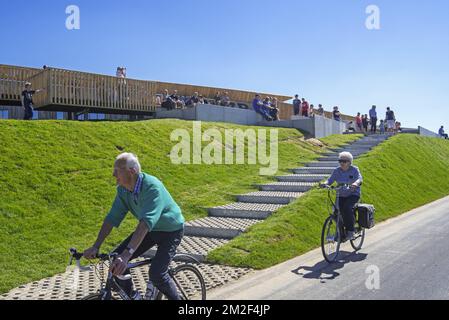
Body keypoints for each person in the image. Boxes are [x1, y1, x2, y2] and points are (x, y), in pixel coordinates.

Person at [83, 153, 185, 300]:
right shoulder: (123, 190)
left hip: (171, 231)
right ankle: (133, 296)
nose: (113, 174)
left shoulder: (152, 187)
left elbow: (145, 223)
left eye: (117, 170)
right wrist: (96, 246)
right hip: (152, 231)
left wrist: (126, 255)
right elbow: (112, 218)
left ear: (132, 171)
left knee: (157, 274)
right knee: (115, 261)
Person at [320, 152, 363, 241]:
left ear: (350, 162)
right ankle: (339, 233)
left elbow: (359, 179)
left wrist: (355, 183)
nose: (342, 163)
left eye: (344, 161)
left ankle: (351, 231)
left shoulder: (354, 169)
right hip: (341, 194)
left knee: (347, 208)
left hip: (353, 194)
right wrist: (325, 184)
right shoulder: (337, 170)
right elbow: (330, 180)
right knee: (336, 211)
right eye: (340, 161)